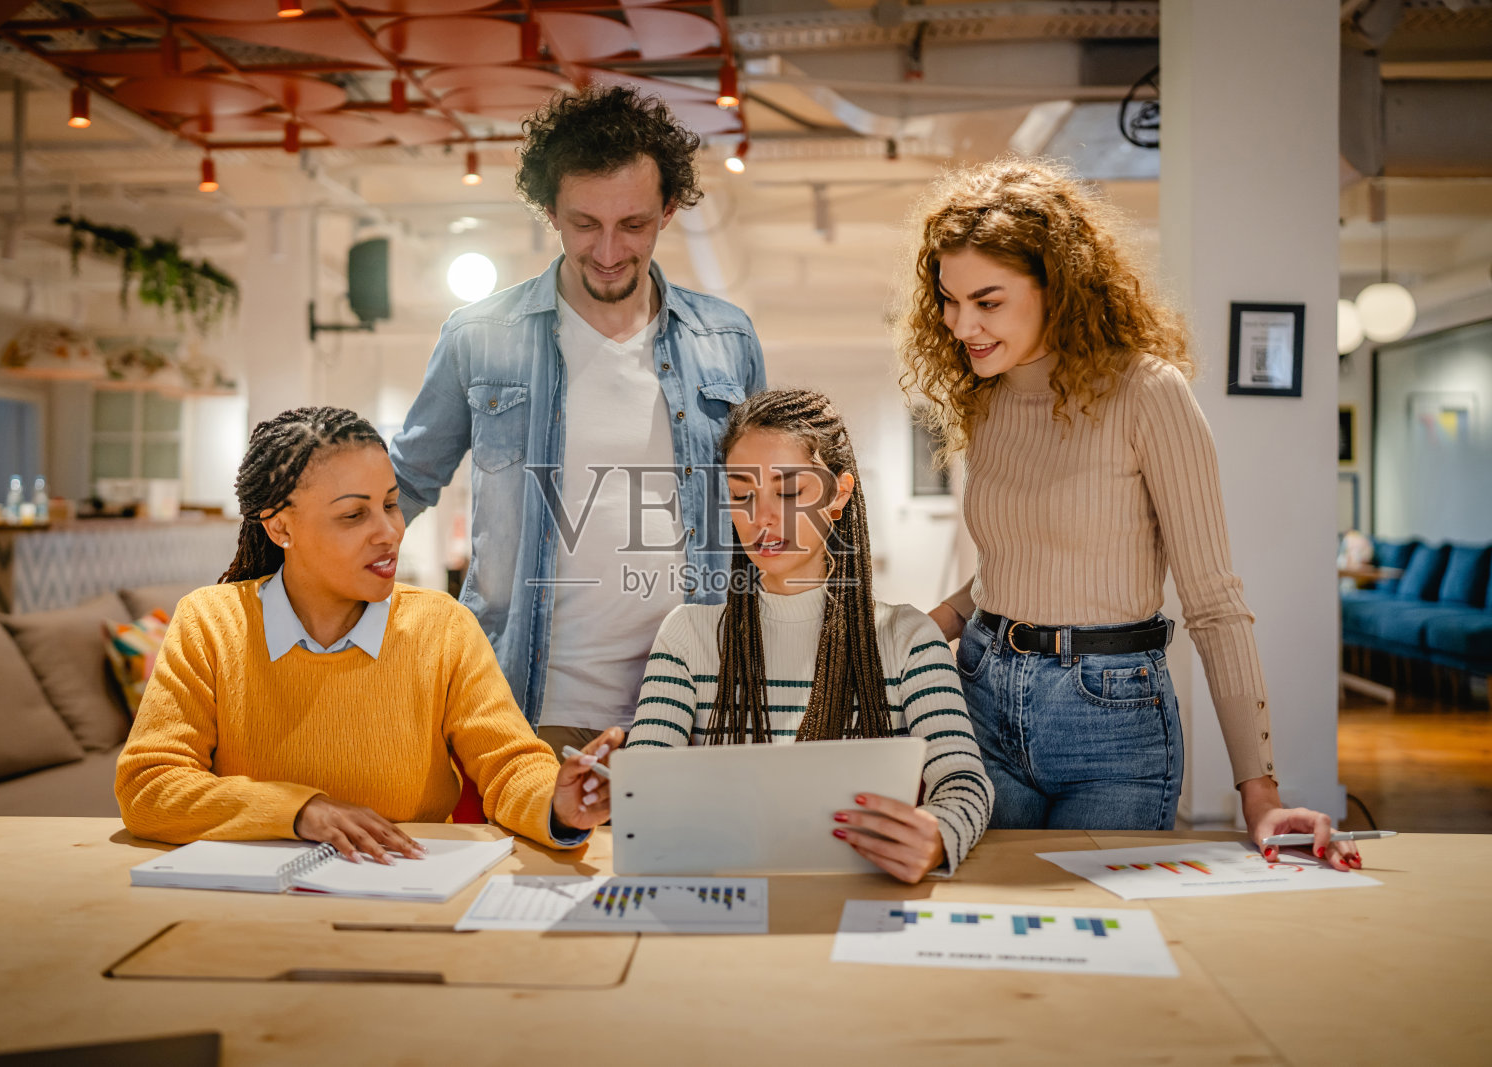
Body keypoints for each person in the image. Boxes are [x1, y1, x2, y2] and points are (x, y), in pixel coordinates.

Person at [897, 157, 1356, 868]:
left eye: (987, 301)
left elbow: (1214, 604)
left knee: (1105, 938)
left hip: (1109, 718)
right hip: (982, 692)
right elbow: (1008, 568)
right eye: (950, 301)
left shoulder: (1149, 393)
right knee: (985, 924)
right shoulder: (984, 398)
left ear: (1058, 283)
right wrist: (916, 632)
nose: (962, 324)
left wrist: (1259, 791)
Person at [389, 86, 766, 762]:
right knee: (534, 872)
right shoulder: (481, 335)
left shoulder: (726, 337)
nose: (610, 250)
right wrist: (287, 584)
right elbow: (404, 482)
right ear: (550, 212)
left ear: (668, 211)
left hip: (695, 705)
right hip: (528, 705)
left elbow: (765, 510)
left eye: (634, 224)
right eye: (585, 222)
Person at [116, 407, 618, 862]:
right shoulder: (209, 623)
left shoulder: (441, 627)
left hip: (407, 890)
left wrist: (558, 802)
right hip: (252, 903)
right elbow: (149, 785)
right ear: (280, 528)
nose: (390, 531)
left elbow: (508, 765)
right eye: (354, 515)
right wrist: (300, 810)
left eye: (391, 504)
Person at [626, 390, 993, 883]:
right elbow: (645, 784)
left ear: (838, 494)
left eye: (789, 491)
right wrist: (619, 788)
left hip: (864, 896)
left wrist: (937, 833)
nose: (762, 518)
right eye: (742, 495)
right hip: (727, 894)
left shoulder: (908, 638)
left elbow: (963, 780)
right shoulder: (687, 635)